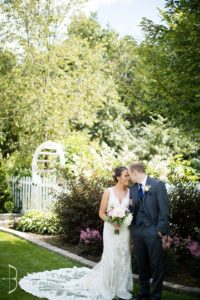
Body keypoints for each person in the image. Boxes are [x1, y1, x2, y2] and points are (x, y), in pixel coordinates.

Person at [19, 166, 133, 300]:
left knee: (123, 255)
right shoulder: (108, 192)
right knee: (111, 255)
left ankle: (121, 287)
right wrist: (112, 220)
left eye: (128, 175)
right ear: (118, 177)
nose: (128, 178)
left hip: (124, 229)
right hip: (110, 228)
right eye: (126, 175)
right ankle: (108, 286)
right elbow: (101, 213)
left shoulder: (130, 192)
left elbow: (130, 210)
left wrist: (123, 220)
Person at [128, 162, 169, 300]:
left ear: (135, 172)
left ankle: (156, 295)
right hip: (137, 230)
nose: (129, 177)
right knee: (141, 263)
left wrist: (159, 230)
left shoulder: (157, 185)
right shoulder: (133, 189)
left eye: (130, 174)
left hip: (152, 230)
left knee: (156, 264)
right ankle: (143, 293)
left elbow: (164, 210)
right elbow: (132, 209)